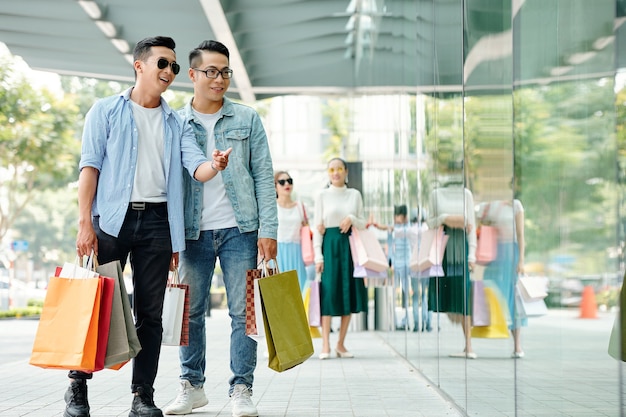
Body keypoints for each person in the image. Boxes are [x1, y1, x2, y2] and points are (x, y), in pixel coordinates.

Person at [72, 36, 231, 417]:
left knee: (151, 315)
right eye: (163, 63)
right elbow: (89, 168)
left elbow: (197, 167)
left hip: (158, 224)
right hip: (110, 221)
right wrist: (84, 224)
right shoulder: (105, 110)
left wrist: (216, 164)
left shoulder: (176, 122)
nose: (170, 72)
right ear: (139, 65)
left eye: (174, 67)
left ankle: (143, 396)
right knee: (93, 306)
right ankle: (77, 390)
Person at [163, 40, 277, 417]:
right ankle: (191, 386)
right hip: (193, 233)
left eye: (225, 72)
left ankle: (241, 389)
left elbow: (263, 177)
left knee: (243, 313)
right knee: (189, 313)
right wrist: (169, 236)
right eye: (211, 71)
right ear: (192, 75)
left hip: (240, 230)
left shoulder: (247, 119)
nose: (219, 79)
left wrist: (268, 231)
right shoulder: (175, 122)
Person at [313, 157, 368, 360]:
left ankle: (341, 344)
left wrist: (352, 219)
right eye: (331, 169)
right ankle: (326, 344)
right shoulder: (322, 196)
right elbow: (317, 227)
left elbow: (362, 223)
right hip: (330, 245)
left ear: (346, 171)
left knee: (349, 293)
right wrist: (318, 256)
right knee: (328, 295)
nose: (335, 173)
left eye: (339, 169)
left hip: (350, 246)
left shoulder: (354, 195)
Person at [427, 179, 477, 358]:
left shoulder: (466, 194)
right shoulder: (436, 194)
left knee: (464, 298)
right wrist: (447, 219)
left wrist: (472, 255)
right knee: (446, 297)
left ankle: (469, 346)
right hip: (442, 251)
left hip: (461, 251)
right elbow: (430, 223)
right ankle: (464, 339)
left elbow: (471, 225)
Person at [476, 199, 526, 357]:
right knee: (492, 293)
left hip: (510, 252)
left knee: (512, 298)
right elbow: (477, 225)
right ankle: (494, 329)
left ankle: (517, 345)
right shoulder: (488, 206)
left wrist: (521, 260)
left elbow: (520, 234)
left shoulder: (516, 205)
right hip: (492, 252)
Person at [275, 171, 309, 292]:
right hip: (277, 253)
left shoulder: (300, 206)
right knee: (278, 294)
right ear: (275, 186)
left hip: (297, 253)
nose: (286, 184)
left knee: (298, 292)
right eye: (282, 182)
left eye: (289, 181)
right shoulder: (272, 207)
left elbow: (306, 229)